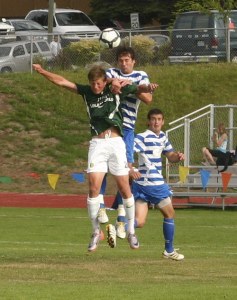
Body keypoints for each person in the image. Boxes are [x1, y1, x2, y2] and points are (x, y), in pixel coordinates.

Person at [32, 63, 158, 252]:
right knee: (93, 188)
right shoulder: (87, 92)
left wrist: (148, 87)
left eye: (98, 83)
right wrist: (42, 72)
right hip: (97, 144)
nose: (96, 87)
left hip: (116, 143)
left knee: (124, 188)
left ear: (104, 81)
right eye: (93, 83)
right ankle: (95, 232)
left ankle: (131, 231)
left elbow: (138, 89)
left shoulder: (115, 88)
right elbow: (63, 82)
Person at [97, 46, 155, 240]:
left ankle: (121, 220)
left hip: (127, 129)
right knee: (101, 169)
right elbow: (103, 83)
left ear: (133, 61)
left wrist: (131, 86)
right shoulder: (112, 72)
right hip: (110, 127)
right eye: (121, 61)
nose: (124, 64)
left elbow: (147, 98)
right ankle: (101, 209)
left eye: (127, 60)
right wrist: (115, 81)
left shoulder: (141, 75)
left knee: (127, 172)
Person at [130, 108, 185, 261]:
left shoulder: (163, 137)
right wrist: (131, 168)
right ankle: (169, 250)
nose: (156, 122)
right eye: (153, 119)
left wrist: (178, 156)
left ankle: (118, 227)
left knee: (139, 222)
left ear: (163, 121)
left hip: (141, 184)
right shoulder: (142, 137)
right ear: (148, 121)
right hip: (153, 182)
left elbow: (170, 156)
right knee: (169, 214)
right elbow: (128, 152)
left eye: (159, 119)